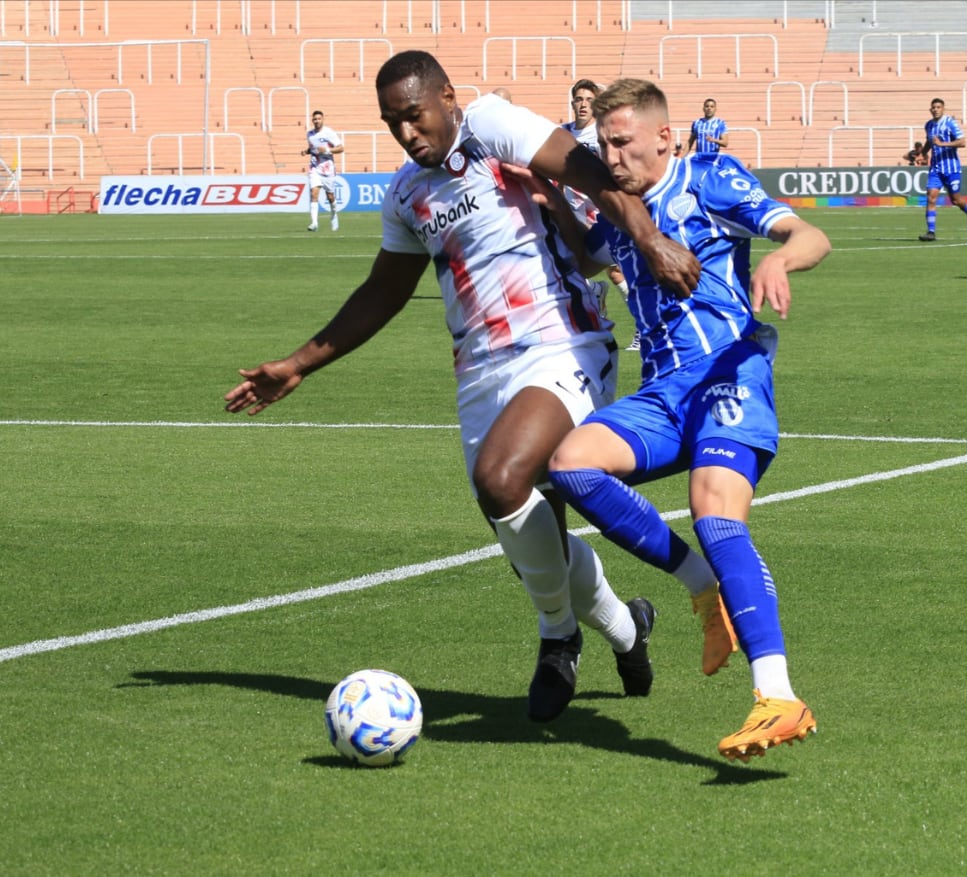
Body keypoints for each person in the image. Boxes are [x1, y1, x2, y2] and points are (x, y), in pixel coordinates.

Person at [225, 50, 713, 725]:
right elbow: (383, 292)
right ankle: (628, 629)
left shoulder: (491, 124)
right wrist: (299, 364)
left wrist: (649, 237)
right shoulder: (407, 195)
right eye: (392, 123)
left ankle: (556, 639)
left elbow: (587, 170)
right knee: (530, 539)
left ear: (447, 97)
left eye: (414, 116)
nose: (406, 134)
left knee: (502, 477)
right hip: (479, 374)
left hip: (561, 343)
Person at [546, 78, 831, 762]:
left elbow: (808, 232)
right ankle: (704, 589)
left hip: (729, 374)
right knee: (568, 465)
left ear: (664, 137)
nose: (610, 157)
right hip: (663, 394)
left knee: (713, 506)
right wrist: (548, 193)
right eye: (602, 145)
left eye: (622, 142)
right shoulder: (620, 211)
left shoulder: (709, 178)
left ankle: (779, 693)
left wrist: (780, 257)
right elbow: (590, 256)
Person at [561, 79, 638, 352]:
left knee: (618, 270)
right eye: (578, 99)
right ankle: (590, 305)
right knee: (565, 264)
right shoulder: (562, 134)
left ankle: (600, 299)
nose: (583, 104)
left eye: (588, 100)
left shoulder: (601, 134)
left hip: (600, 214)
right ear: (572, 103)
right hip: (573, 215)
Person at [917, 97, 967, 241]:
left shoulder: (950, 122)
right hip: (936, 168)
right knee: (931, 197)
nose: (936, 110)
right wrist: (923, 153)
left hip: (951, 168)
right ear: (930, 110)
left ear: (943, 109)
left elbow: (962, 142)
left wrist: (942, 144)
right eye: (934, 107)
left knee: (955, 200)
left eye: (938, 107)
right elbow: (929, 141)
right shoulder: (929, 125)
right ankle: (931, 232)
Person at [303, 110, 344, 232]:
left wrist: (326, 150)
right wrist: (306, 151)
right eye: (315, 119)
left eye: (319, 119)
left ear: (323, 119)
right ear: (312, 121)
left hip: (328, 169)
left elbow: (341, 148)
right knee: (314, 193)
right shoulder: (309, 134)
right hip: (315, 167)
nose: (317, 121)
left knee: (330, 196)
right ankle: (314, 223)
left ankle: (334, 215)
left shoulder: (329, 133)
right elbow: (313, 148)